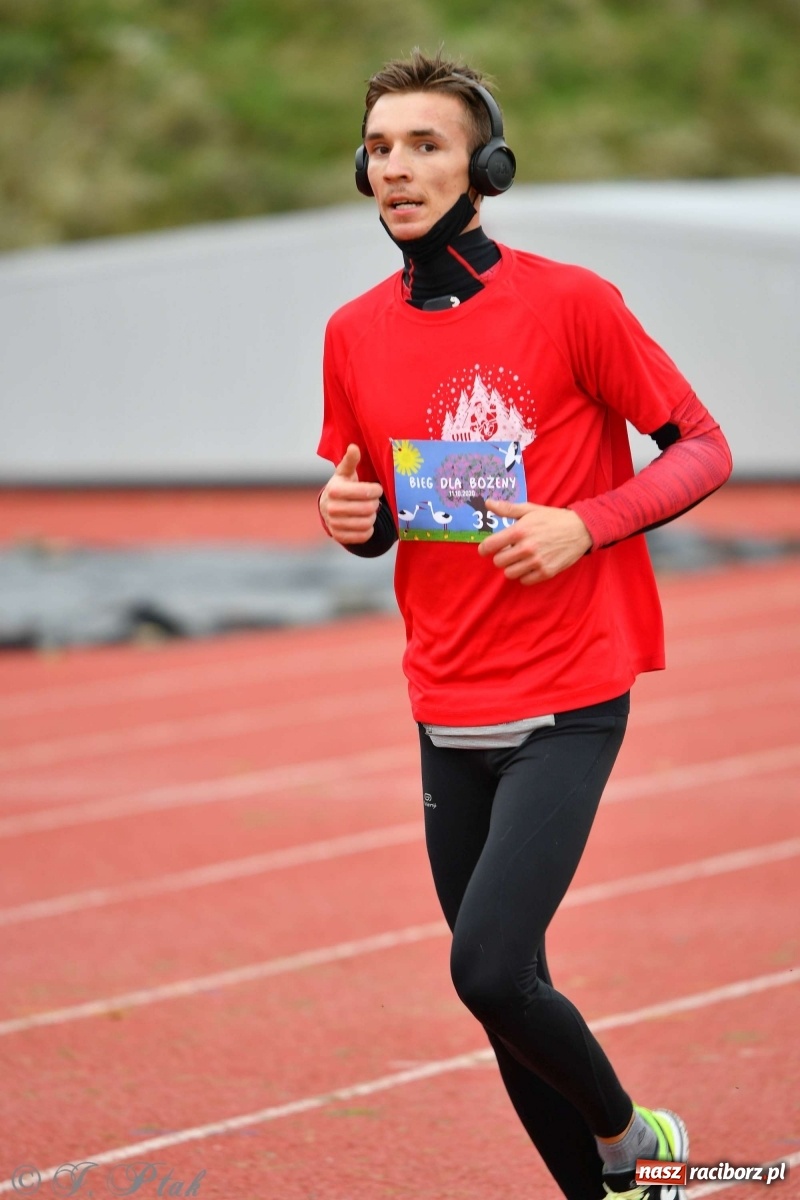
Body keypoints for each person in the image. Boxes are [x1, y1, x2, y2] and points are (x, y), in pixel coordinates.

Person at [316, 48, 732, 1200]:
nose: (396, 168)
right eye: (381, 147)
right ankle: (605, 1187)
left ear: (484, 167)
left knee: (490, 969)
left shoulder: (570, 303)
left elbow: (701, 446)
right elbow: (382, 511)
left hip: (567, 689)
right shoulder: (353, 332)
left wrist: (583, 527)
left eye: (426, 145)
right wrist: (349, 519)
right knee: (506, 1006)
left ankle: (632, 1142)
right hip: (443, 694)